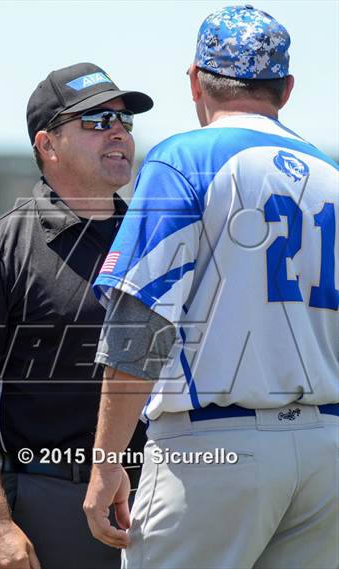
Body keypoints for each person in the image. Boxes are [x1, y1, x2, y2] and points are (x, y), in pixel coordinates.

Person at [83, 6, 339, 569]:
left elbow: (141, 321)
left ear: (195, 80)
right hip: (327, 454)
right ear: (286, 88)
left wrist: (106, 461)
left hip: (213, 451)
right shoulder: (330, 175)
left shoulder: (185, 158)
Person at [0, 62, 153, 569]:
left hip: (161, 495)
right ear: (48, 144)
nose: (118, 132)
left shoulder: (154, 239)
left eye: (123, 121)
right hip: (51, 500)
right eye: (97, 121)